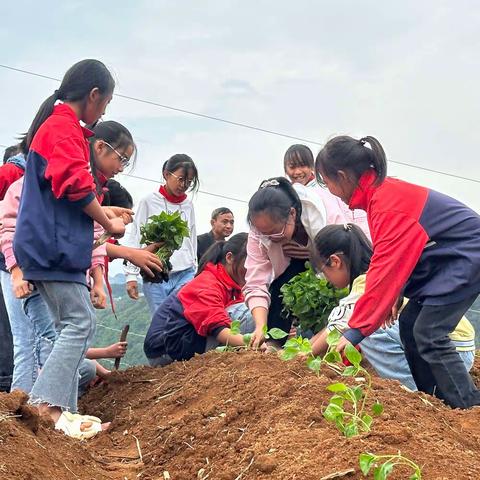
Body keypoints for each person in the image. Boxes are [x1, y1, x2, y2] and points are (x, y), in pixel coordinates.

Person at [315, 135, 480, 409]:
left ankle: (469, 408)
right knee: (410, 324)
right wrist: (397, 293)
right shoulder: (380, 197)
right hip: (449, 260)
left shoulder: (387, 202)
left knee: (430, 332)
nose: (329, 189)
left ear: (342, 176)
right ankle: (436, 400)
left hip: (467, 257)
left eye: (326, 181)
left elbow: (383, 270)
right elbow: (397, 255)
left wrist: (355, 331)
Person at [13, 59, 126, 437]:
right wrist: (107, 222)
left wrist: (104, 211)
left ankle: (64, 416)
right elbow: (74, 185)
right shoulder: (62, 128)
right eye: (106, 104)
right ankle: (46, 406)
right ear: (94, 96)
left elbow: (62, 192)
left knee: (71, 325)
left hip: (51, 244)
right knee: (79, 323)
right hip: (51, 247)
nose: (104, 112)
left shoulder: (61, 129)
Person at [309, 224, 475, 391]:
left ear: (335, 261)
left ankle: (414, 389)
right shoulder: (381, 271)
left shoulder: (368, 282)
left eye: (323, 272)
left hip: (449, 352)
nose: (326, 280)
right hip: (456, 348)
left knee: (365, 329)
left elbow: (338, 326)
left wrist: (303, 355)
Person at [144, 232, 253, 365]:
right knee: (249, 313)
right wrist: (256, 345)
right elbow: (218, 328)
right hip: (166, 351)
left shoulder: (231, 284)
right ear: (229, 258)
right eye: (250, 262)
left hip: (183, 341)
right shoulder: (207, 283)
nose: (254, 269)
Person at [244, 177, 327, 349]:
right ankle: (273, 345)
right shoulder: (258, 233)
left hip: (330, 264)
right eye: (264, 234)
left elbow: (341, 262)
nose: (271, 239)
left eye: (275, 232)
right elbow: (256, 282)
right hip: (291, 268)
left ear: (292, 214)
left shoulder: (321, 212)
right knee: (282, 291)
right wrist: (261, 326)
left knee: (326, 297)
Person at [124, 154, 199, 315]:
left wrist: (195, 266)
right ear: (166, 174)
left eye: (189, 181)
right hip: (155, 273)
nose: (184, 185)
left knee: (181, 318)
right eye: (180, 179)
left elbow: (191, 238)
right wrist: (131, 276)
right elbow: (136, 236)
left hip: (185, 273)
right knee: (161, 321)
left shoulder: (188, 205)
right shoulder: (149, 201)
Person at [284, 144, 370, 237]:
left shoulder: (322, 190)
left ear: (312, 166)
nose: (298, 172)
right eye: (292, 167)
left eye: (302, 165)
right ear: (285, 169)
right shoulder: (286, 194)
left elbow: (337, 220)